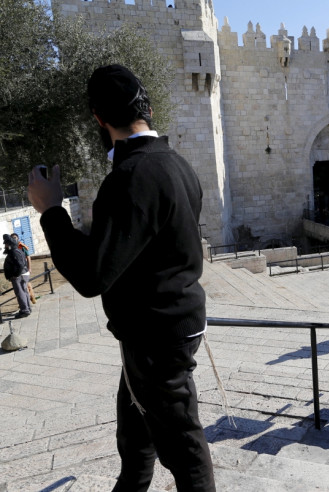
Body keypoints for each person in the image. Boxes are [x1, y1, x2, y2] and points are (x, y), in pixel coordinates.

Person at [27, 65, 215, 491]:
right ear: (145, 108)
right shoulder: (178, 165)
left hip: (157, 337)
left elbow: (93, 275)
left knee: (184, 450)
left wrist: (51, 210)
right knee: (136, 440)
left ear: (98, 119)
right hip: (164, 327)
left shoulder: (131, 178)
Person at [3, 234, 31, 319]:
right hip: (22, 274)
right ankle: (27, 308)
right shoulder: (17, 250)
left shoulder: (15, 252)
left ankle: (24, 310)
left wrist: (15, 275)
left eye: (6, 244)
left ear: (10, 244)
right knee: (24, 291)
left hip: (19, 276)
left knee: (20, 293)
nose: (5, 246)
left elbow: (20, 264)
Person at [10, 233, 36, 304]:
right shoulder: (11, 247)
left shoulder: (22, 247)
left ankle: (31, 298)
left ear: (18, 238)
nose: (14, 239)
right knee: (22, 287)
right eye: (12, 238)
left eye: (15, 237)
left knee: (26, 286)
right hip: (17, 270)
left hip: (24, 269)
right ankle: (25, 302)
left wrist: (29, 268)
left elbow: (28, 257)